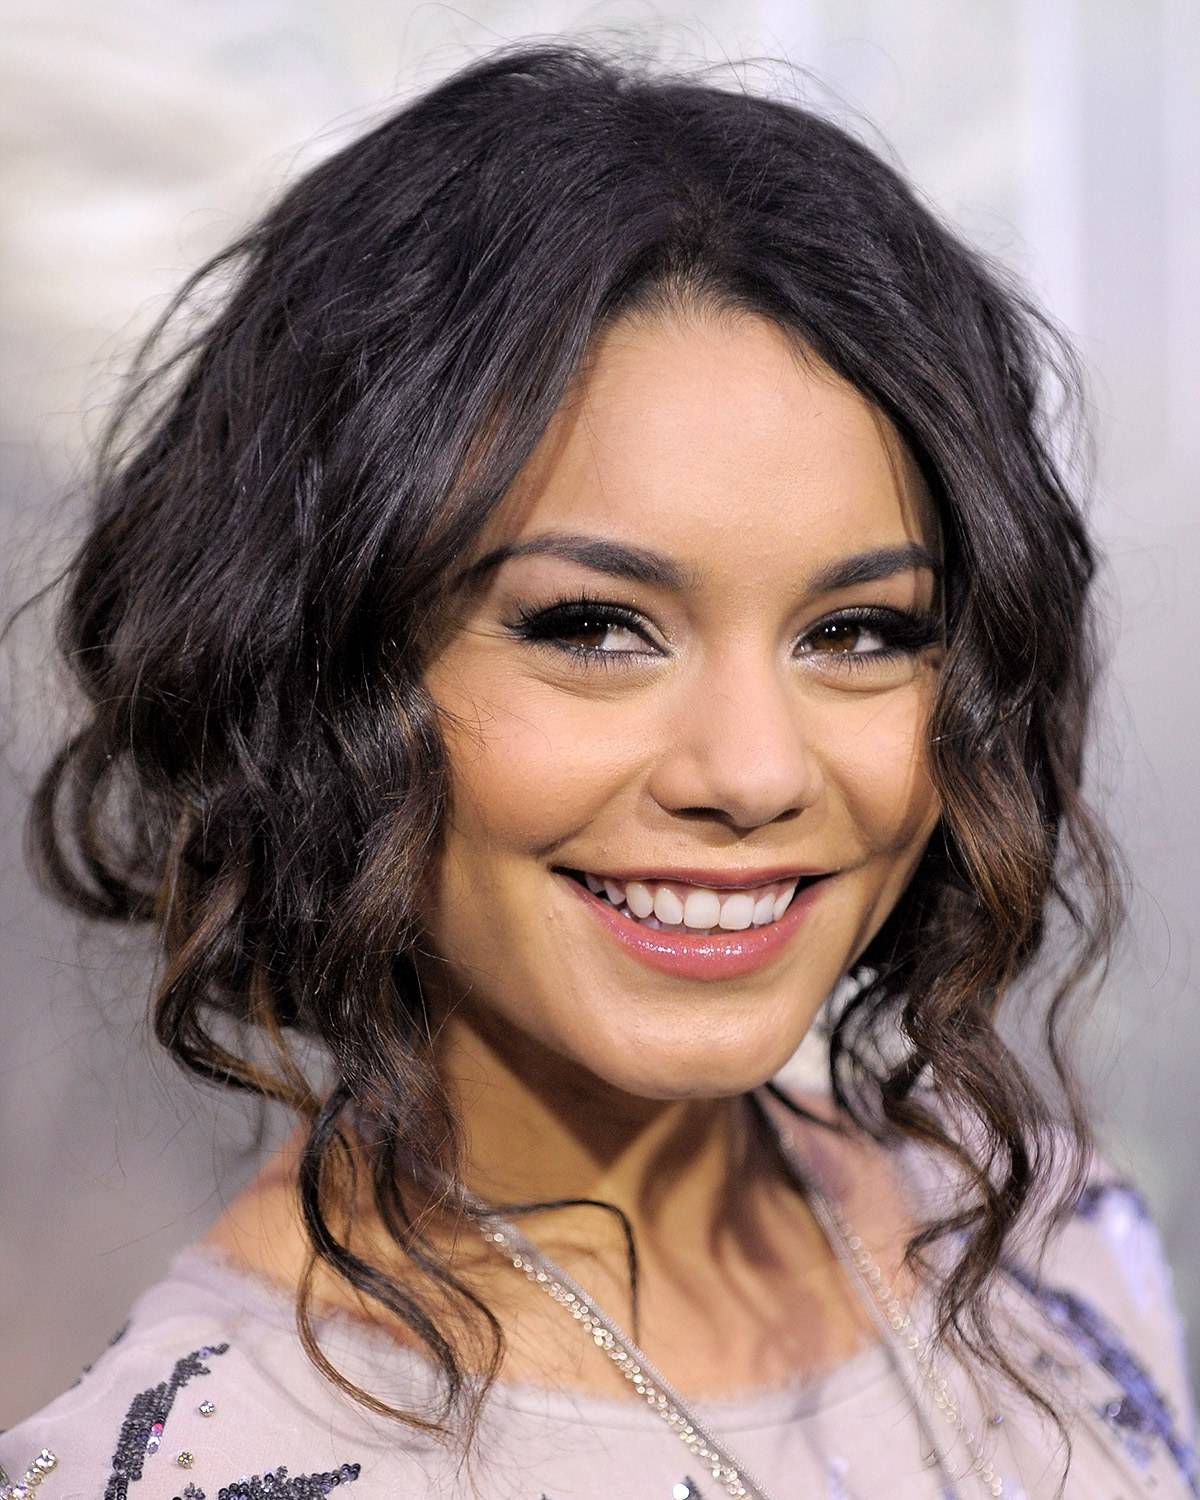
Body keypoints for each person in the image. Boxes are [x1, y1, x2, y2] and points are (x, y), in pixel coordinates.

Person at [1, 40, 1194, 1500]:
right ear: (319, 670)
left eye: (859, 632)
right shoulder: (187, 1463)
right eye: (594, 627)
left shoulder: (1048, 1247)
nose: (753, 771)